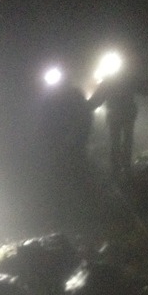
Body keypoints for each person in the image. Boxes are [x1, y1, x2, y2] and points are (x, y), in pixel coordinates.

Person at [38, 82, 93, 219]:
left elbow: (84, 116)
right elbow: (45, 121)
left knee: (76, 168)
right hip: (60, 141)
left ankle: (80, 202)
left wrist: (79, 136)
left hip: (74, 140)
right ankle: (67, 205)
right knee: (62, 170)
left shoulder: (74, 96)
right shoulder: (50, 99)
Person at [89, 74, 148, 182]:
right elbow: (144, 90)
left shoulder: (112, 81)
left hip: (117, 116)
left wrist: (86, 107)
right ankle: (124, 168)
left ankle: (117, 170)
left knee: (117, 142)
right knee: (125, 141)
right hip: (125, 115)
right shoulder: (127, 79)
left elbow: (97, 99)